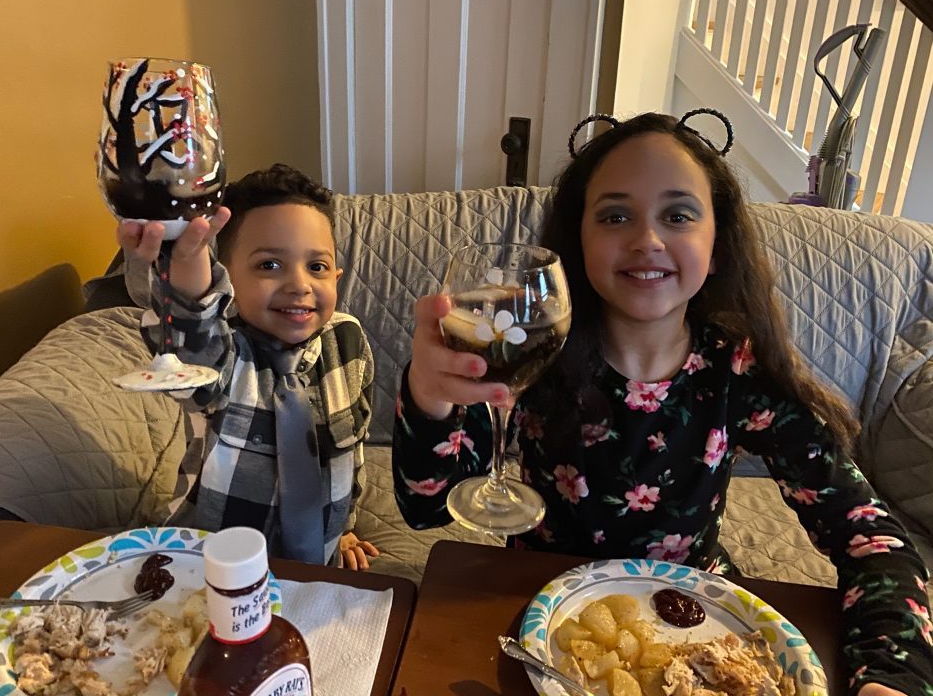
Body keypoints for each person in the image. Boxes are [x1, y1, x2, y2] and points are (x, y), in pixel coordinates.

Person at [392, 111, 933, 693]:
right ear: (577, 238)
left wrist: (891, 675)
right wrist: (428, 397)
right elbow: (429, 507)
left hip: (692, 620)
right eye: (615, 215)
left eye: (678, 215)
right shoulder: (532, 350)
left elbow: (872, 538)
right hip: (538, 611)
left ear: (717, 245)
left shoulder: (738, 371)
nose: (647, 239)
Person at [120, 163, 379, 570]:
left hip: (319, 554)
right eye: (269, 265)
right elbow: (191, 343)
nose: (300, 284)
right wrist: (188, 266)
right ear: (225, 280)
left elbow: (352, 451)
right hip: (210, 560)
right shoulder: (225, 351)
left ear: (337, 276)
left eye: (317, 266)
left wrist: (345, 525)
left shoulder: (348, 339)